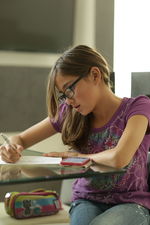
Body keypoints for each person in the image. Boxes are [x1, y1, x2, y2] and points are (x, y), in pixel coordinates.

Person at [0, 45, 150, 225]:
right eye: (64, 95)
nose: (69, 101)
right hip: (86, 200)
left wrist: (78, 157)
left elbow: (120, 157)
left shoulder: (138, 107)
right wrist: (12, 147)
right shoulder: (71, 113)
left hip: (131, 203)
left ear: (95, 75)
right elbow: (21, 139)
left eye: (69, 89)